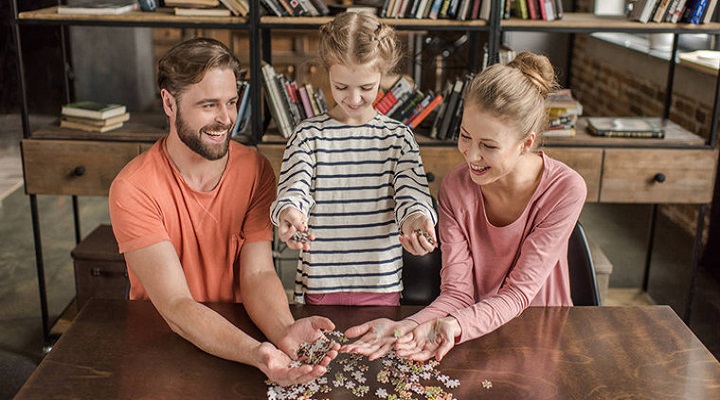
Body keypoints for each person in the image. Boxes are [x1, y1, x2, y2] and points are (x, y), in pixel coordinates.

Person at [108, 37, 337, 386]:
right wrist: (258, 354)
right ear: (169, 103)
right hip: (164, 344)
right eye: (208, 105)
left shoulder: (256, 169)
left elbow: (258, 274)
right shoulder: (132, 188)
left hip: (241, 337)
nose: (226, 118)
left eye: (231, 102)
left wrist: (283, 331)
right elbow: (176, 306)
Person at [342, 52, 587, 361]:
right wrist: (405, 328)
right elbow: (458, 294)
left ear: (525, 143)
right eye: (465, 136)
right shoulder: (456, 187)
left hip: (537, 336)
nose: (471, 156)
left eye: (488, 146)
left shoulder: (565, 189)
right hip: (471, 334)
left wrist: (455, 325)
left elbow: (519, 293)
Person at [269, 12, 438, 306]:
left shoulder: (398, 138)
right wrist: (290, 214)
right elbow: (294, 189)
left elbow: (412, 193)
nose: (355, 99)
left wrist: (417, 218)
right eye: (342, 87)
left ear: (383, 77)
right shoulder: (308, 135)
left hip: (380, 283)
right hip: (321, 283)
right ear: (327, 73)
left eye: (366, 87)